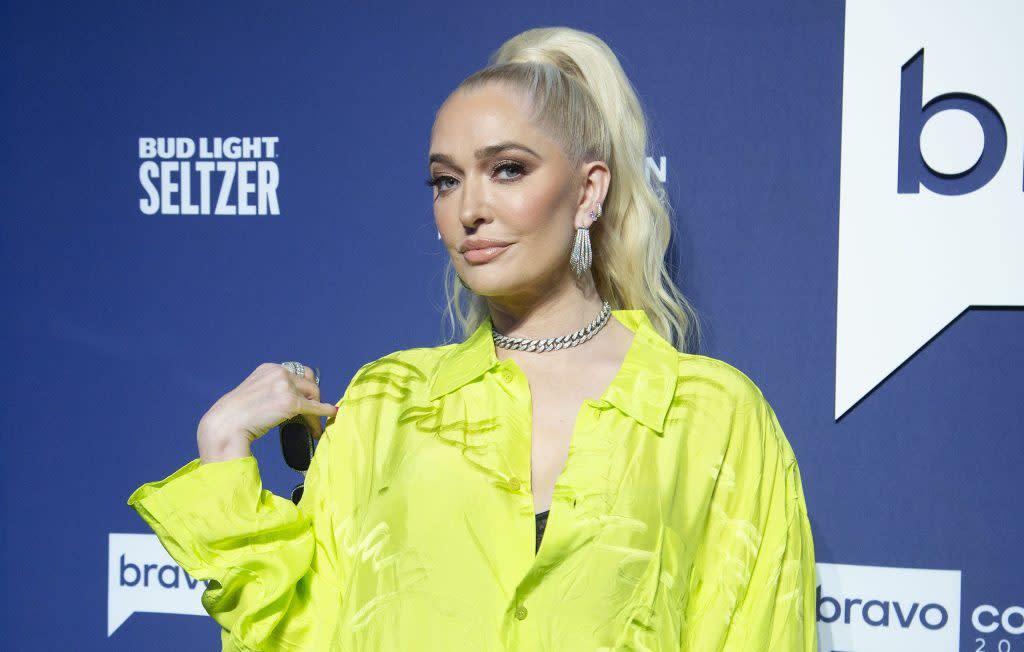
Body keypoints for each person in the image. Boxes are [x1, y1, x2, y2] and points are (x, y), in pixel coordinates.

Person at [128, 26, 817, 651]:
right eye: (445, 181)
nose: (469, 210)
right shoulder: (386, 404)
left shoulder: (715, 418)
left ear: (587, 191)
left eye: (508, 169)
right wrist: (222, 452)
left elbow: (757, 633)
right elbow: (303, 635)